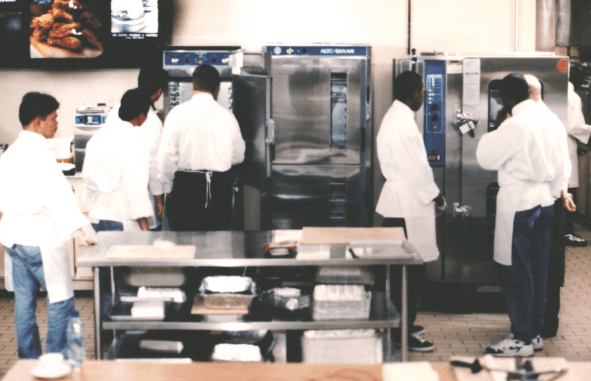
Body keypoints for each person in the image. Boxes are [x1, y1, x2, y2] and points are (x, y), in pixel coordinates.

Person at [476, 74, 570, 357]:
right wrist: (554, 194)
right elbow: (561, 163)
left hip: (519, 204)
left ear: (506, 98)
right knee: (539, 272)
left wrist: (496, 127)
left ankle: (521, 339)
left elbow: (485, 158)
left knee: (516, 272)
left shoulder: (515, 125)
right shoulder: (552, 120)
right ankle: (535, 333)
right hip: (545, 202)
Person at [0, 92, 98, 359]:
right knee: (63, 301)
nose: (57, 124)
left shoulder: (10, 153)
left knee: (23, 304)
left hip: (12, 240)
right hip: (39, 240)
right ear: (37, 121)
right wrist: (87, 232)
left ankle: (28, 361)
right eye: (53, 118)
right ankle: (57, 360)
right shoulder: (38, 153)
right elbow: (59, 197)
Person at [375, 70, 446, 352]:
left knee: (403, 271)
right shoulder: (402, 125)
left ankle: (403, 323)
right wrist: (437, 197)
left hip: (401, 202)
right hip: (407, 203)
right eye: (422, 92)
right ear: (414, 93)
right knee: (409, 273)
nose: (424, 97)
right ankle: (402, 331)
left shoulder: (397, 118)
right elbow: (416, 171)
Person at [157, 64, 245, 231]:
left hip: (186, 186)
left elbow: (165, 155)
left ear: (193, 85)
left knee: (185, 244)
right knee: (218, 245)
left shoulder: (177, 113)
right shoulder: (227, 116)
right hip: (220, 187)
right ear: (217, 87)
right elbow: (239, 156)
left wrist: (167, 186)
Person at [106, 67, 169, 231]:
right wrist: (159, 200)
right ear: (158, 92)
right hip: (139, 201)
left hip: (111, 203)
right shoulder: (152, 120)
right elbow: (153, 163)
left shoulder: (116, 111)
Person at [563, 63, 591, 246]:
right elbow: (574, 126)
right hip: (565, 146)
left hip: (559, 146)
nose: (583, 80)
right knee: (567, 190)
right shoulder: (572, 97)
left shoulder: (558, 92)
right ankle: (567, 232)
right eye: (581, 76)